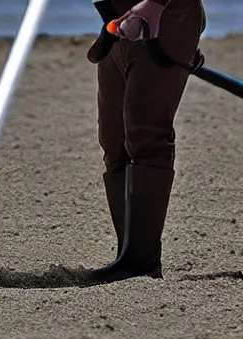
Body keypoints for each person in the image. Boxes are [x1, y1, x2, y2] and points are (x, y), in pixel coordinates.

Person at [83, 0, 205, 282]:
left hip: (167, 14)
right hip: (118, 18)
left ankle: (141, 261)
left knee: (146, 135)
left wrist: (154, 4)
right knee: (114, 141)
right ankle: (127, 253)